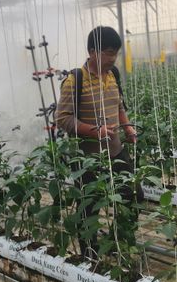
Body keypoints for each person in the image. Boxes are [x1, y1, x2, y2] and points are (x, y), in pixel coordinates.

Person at [55, 26, 140, 259]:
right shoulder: (74, 80)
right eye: (108, 53)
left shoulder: (113, 75)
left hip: (116, 151)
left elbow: (118, 105)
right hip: (88, 159)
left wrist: (127, 127)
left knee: (133, 196)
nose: (113, 58)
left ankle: (117, 242)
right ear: (92, 51)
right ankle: (90, 258)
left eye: (116, 54)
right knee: (88, 209)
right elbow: (63, 119)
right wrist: (95, 131)